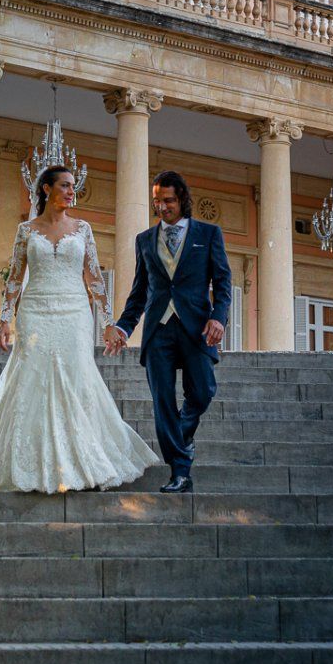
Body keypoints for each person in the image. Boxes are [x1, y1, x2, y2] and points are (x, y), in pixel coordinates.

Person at [0, 165, 160, 493]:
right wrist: (4, 320)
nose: (71, 192)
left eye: (73, 186)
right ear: (46, 189)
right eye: (65, 185)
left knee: (76, 377)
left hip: (74, 313)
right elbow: (15, 277)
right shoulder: (26, 230)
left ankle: (80, 459)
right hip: (35, 311)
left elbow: (95, 278)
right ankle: (29, 461)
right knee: (32, 379)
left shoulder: (82, 229)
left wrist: (109, 323)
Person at [103, 170, 232, 493]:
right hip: (158, 332)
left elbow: (223, 282)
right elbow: (139, 293)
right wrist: (123, 327)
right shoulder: (145, 240)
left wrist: (218, 318)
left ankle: (181, 437)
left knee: (203, 392)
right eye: (157, 201)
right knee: (163, 402)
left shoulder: (209, 234)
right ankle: (180, 471)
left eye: (168, 200)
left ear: (182, 199)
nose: (162, 207)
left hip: (197, 328)